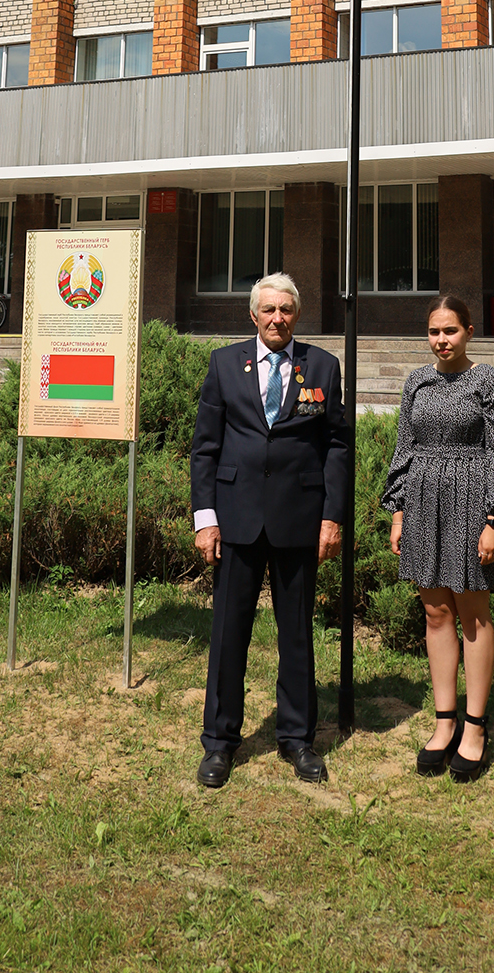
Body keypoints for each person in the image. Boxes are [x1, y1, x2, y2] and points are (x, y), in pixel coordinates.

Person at [190, 273, 347, 788]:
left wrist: (331, 516)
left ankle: (298, 738)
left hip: (298, 518)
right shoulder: (223, 364)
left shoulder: (323, 366)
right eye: (268, 310)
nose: (277, 318)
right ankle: (219, 743)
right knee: (228, 634)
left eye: (286, 309)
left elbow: (337, 447)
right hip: (235, 519)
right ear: (253, 316)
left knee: (297, 635)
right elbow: (205, 448)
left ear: (296, 314)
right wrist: (205, 518)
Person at [382, 294, 494, 782]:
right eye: (434, 332)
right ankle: (444, 723)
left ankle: (475, 727)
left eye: (451, 331)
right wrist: (397, 511)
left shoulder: (487, 382)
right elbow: (405, 446)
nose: (442, 340)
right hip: (422, 502)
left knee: (472, 615)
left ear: (468, 331)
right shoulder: (416, 382)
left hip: (470, 504)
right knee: (436, 612)